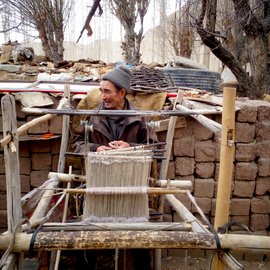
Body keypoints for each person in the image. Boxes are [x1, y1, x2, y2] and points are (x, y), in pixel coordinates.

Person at [73, 64, 156, 153]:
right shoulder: (92, 117)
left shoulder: (141, 119)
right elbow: (76, 143)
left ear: (122, 93)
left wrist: (130, 147)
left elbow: (154, 148)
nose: (103, 97)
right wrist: (95, 148)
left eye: (107, 91)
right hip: (99, 166)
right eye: (101, 91)